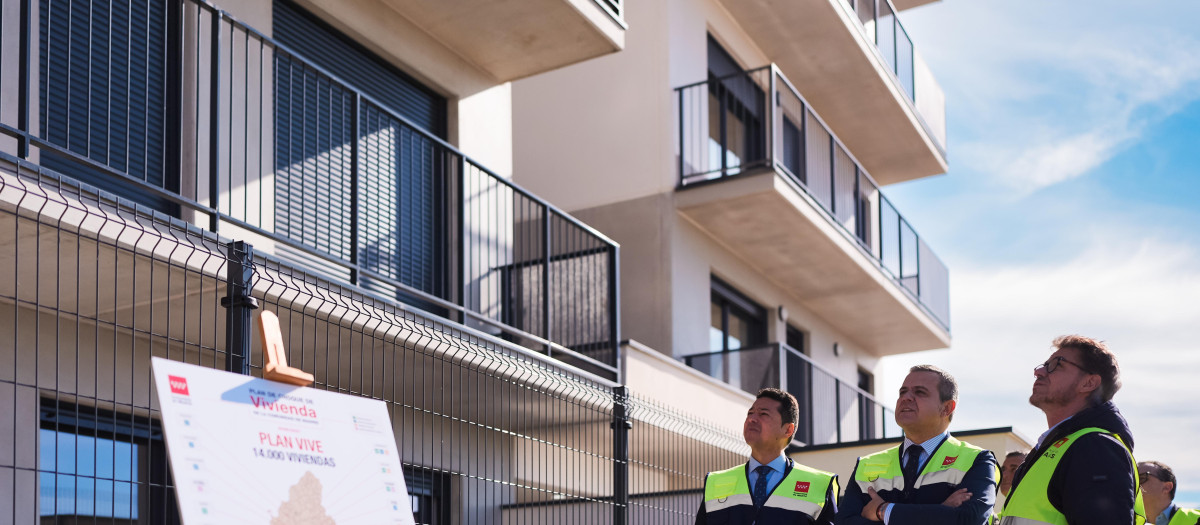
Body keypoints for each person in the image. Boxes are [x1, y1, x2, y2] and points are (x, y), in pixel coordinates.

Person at [999, 335, 1144, 525]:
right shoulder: (1059, 448)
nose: (1039, 372)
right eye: (1044, 364)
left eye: (1057, 365)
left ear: (1089, 383)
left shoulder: (1095, 447)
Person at [836, 365, 998, 525]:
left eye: (920, 392)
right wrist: (941, 511)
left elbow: (968, 519)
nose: (906, 397)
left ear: (947, 408)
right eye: (902, 392)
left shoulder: (977, 459)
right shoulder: (866, 464)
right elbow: (844, 522)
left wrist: (883, 510)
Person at [697, 388, 838, 524]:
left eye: (763, 414)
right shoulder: (716, 482)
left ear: (788, 429)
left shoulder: (819, 484)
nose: (751, 419)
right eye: (750, 413)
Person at [1138, 461, 1200, 525]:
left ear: (1167, 487)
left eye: (1141, 478)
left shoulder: (1196, 517)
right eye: (1133, 480)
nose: (1134, 485)